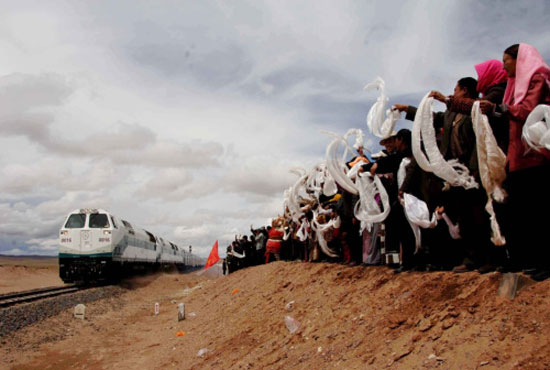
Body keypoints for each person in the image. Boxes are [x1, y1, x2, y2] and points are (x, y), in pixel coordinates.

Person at [483, 44, 550, 279]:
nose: (503, 65)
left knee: (538, 211)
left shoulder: (537, 79)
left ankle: (545, 262)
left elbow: (528, 110)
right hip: (517, 158)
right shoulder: (512, 87)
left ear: (519, 59)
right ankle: (530, 260)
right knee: (523, 212)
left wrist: (498, 108)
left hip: (535, 156)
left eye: (506, 60)